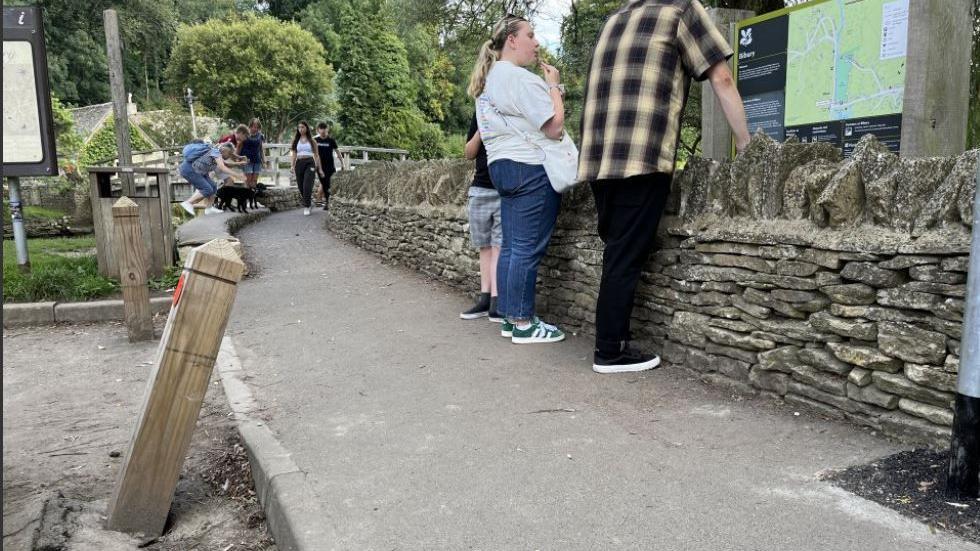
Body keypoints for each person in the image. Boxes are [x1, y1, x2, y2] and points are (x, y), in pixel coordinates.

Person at [579, 0, 751, 373]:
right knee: (625, 256)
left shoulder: (618, 16)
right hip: (642, 151)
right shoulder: (681, 10)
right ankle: (610, 350)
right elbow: (721, 77)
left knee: (616, 251)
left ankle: (612, 341)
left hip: (596, 156)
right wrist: (748, 147)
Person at [473, 14, 567, 344]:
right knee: (526, 248)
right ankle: (525, 323)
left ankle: (510, 318)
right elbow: (553, 127)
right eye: (531, 34)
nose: (537, 42)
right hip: (529, 168)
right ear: (512, 40)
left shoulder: (490, 80)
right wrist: (554, 87)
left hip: (501, 167)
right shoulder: (519, 78)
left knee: (512, 246)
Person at [459, 114, 502, 322]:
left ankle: (496, 301)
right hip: (480, 189)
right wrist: (481, 129)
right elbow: (469, 153)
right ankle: (485, 299)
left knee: (498, 247)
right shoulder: (479, 114)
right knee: (484, 246)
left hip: (504, 190)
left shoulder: (509, 107)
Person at [179, 141, 244, 216]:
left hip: (200, 170)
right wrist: (237, 175)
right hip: (190, 169)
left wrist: (238, 163)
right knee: (207, 189)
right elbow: (222, 167)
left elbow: (226, 164)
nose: (229, 156)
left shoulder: (217, 153)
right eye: (229, 153)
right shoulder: (216, 152)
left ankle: (209, 209)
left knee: (213, 186)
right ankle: (188, 203)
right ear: (224, 150)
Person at [290, 121, 324, 216]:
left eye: (302, 127)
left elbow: (317, 155)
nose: (300, 129)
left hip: (310, 163)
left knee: (307, 186)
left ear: (306, 128)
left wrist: (318, 167)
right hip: (299, 163)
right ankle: (309, 202)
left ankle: (307, 206)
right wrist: (292, 166)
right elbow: (294, 154)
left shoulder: (312, 141)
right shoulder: (296, 140)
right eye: (299, 127)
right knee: (301, 186)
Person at [313, 122, 340, 211]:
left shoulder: (331, 140)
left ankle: (326, 201)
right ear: (318, 130)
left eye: (325, 129)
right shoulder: (315, 140)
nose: (323, 131)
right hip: (320, 166)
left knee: (331, 183)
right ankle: (326, 202)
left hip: (330, 166)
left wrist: (342, 162)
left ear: (327, 129)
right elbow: (312, 153)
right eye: (321, 129)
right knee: (324, 184)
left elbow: (337, 151)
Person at [240, 118, 266, 202]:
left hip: (257, 160)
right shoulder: (245, 134)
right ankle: (245, 201)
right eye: (253, 126)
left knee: (254, 181)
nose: (255, 128)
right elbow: (239, 147)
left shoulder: (260, 135)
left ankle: (252, 200)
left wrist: (264, 161)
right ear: (250, 126)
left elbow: (261, 149)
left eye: (257, 127)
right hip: (247, 160)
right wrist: (238, 159)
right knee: (248, 180)